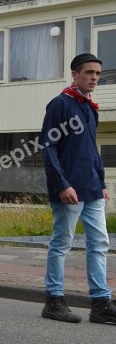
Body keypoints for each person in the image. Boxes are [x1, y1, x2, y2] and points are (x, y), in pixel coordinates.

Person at [40, 53, 116, 325]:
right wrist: (62, 184)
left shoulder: (90, 107)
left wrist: (101, 182)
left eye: (97, 73)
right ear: (74, 74)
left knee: (100, 244)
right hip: (68, 190)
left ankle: (100, 303)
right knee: (62, 244)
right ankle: (54, 300)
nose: (94, 77)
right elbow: (48, 148)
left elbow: (91, 150)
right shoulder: (60, 104)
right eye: (88, 73)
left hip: (92, 189)